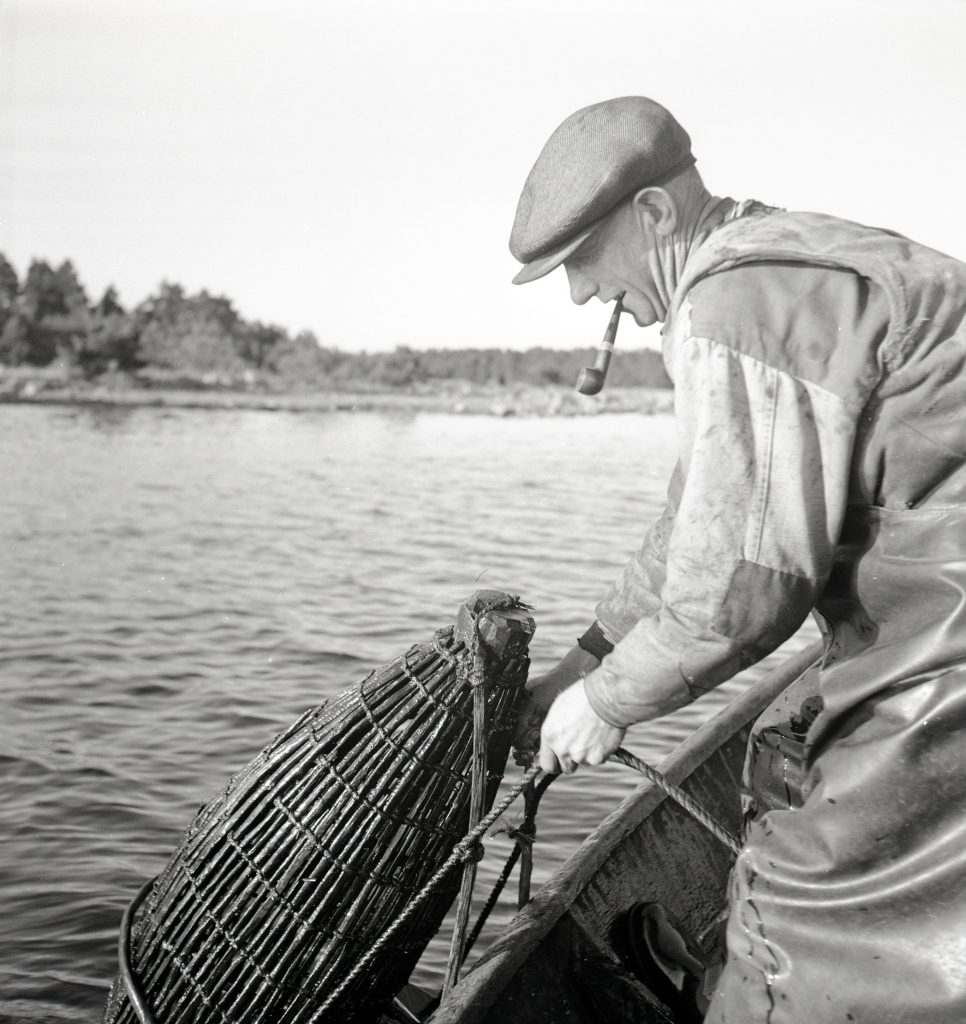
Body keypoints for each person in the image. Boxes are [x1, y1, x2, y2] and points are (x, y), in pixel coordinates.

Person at [509, 95, 966, 1024]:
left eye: (582, 262)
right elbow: (696, 528)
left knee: (805, 926)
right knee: (780, 745)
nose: (583, 297)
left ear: (654, 215)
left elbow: (740, 596)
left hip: (946, 638)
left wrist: (606, 707)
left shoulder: (735, 302)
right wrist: (585, 659)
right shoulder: (774, 261)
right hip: (928, 606)